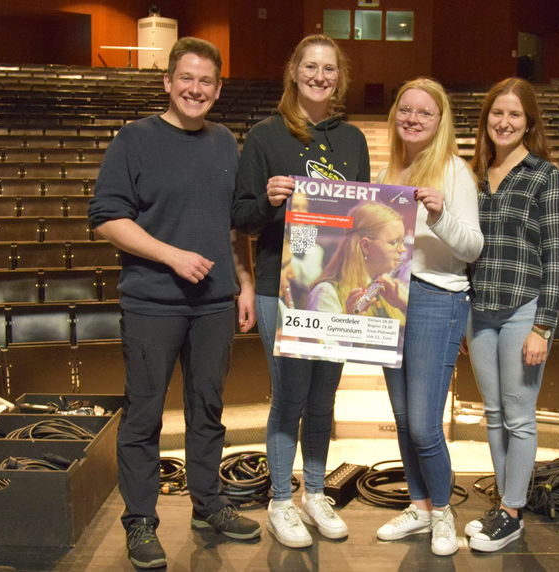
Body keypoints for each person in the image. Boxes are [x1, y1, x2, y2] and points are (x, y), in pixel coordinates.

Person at [88, 37, 260, 569]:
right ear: (167, 81)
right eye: (186, 78)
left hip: (213, 304)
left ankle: (208, 505)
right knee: (143, 416)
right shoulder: (134, 140)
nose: (195, 89)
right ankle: (141, 520)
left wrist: (245, 282)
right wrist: (171, 256)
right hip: (152, 303)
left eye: (206, 81)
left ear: (217, 88)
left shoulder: (225, 141)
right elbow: (107, 220)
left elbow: (233, 225)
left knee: (208, 410)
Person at [232, 34, 370, 548]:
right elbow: (241, 217)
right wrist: (268, 200)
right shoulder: (265, 136)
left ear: (340, 77)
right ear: (293, 70)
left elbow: (360, 217)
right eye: (310, 66)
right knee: (289, 396)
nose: (319, 76)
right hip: (279, 285)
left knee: (323, 394)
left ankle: (315, 492)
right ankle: (280, 501)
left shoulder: (352, 140)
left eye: (329, 69)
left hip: (333, 289)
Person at [372, 77, 484, 556]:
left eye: (424, 112)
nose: (413, 119)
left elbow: (473, 248)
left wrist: (439, 215)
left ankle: (443, 511)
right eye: (406, 110)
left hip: (438, 298)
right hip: (392, 299)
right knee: (401, 417)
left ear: (441, 122)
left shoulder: (454, 172)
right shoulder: (391, 169)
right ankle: (419, 507)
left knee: (423, 423)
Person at [464, 77, 559, 552]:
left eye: (514, 115)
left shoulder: (545, 176)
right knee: (492, 414)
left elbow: (556, 256)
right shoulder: (474, 174)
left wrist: (543, 326)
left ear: (529, 123)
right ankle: (505, 504)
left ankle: (512, 513)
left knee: (519, 417)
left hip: (524, 310)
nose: (504, 122)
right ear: (486, 120)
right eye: (496, 114)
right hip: (480, 309)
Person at [307, 201, 408, 320]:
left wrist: (405, 307)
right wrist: (352, 323)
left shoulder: (396, 291)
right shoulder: (326, 293)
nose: (403, 249)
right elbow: (320, 339)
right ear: (365, 246)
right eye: (393, 242)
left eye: (402, 242)